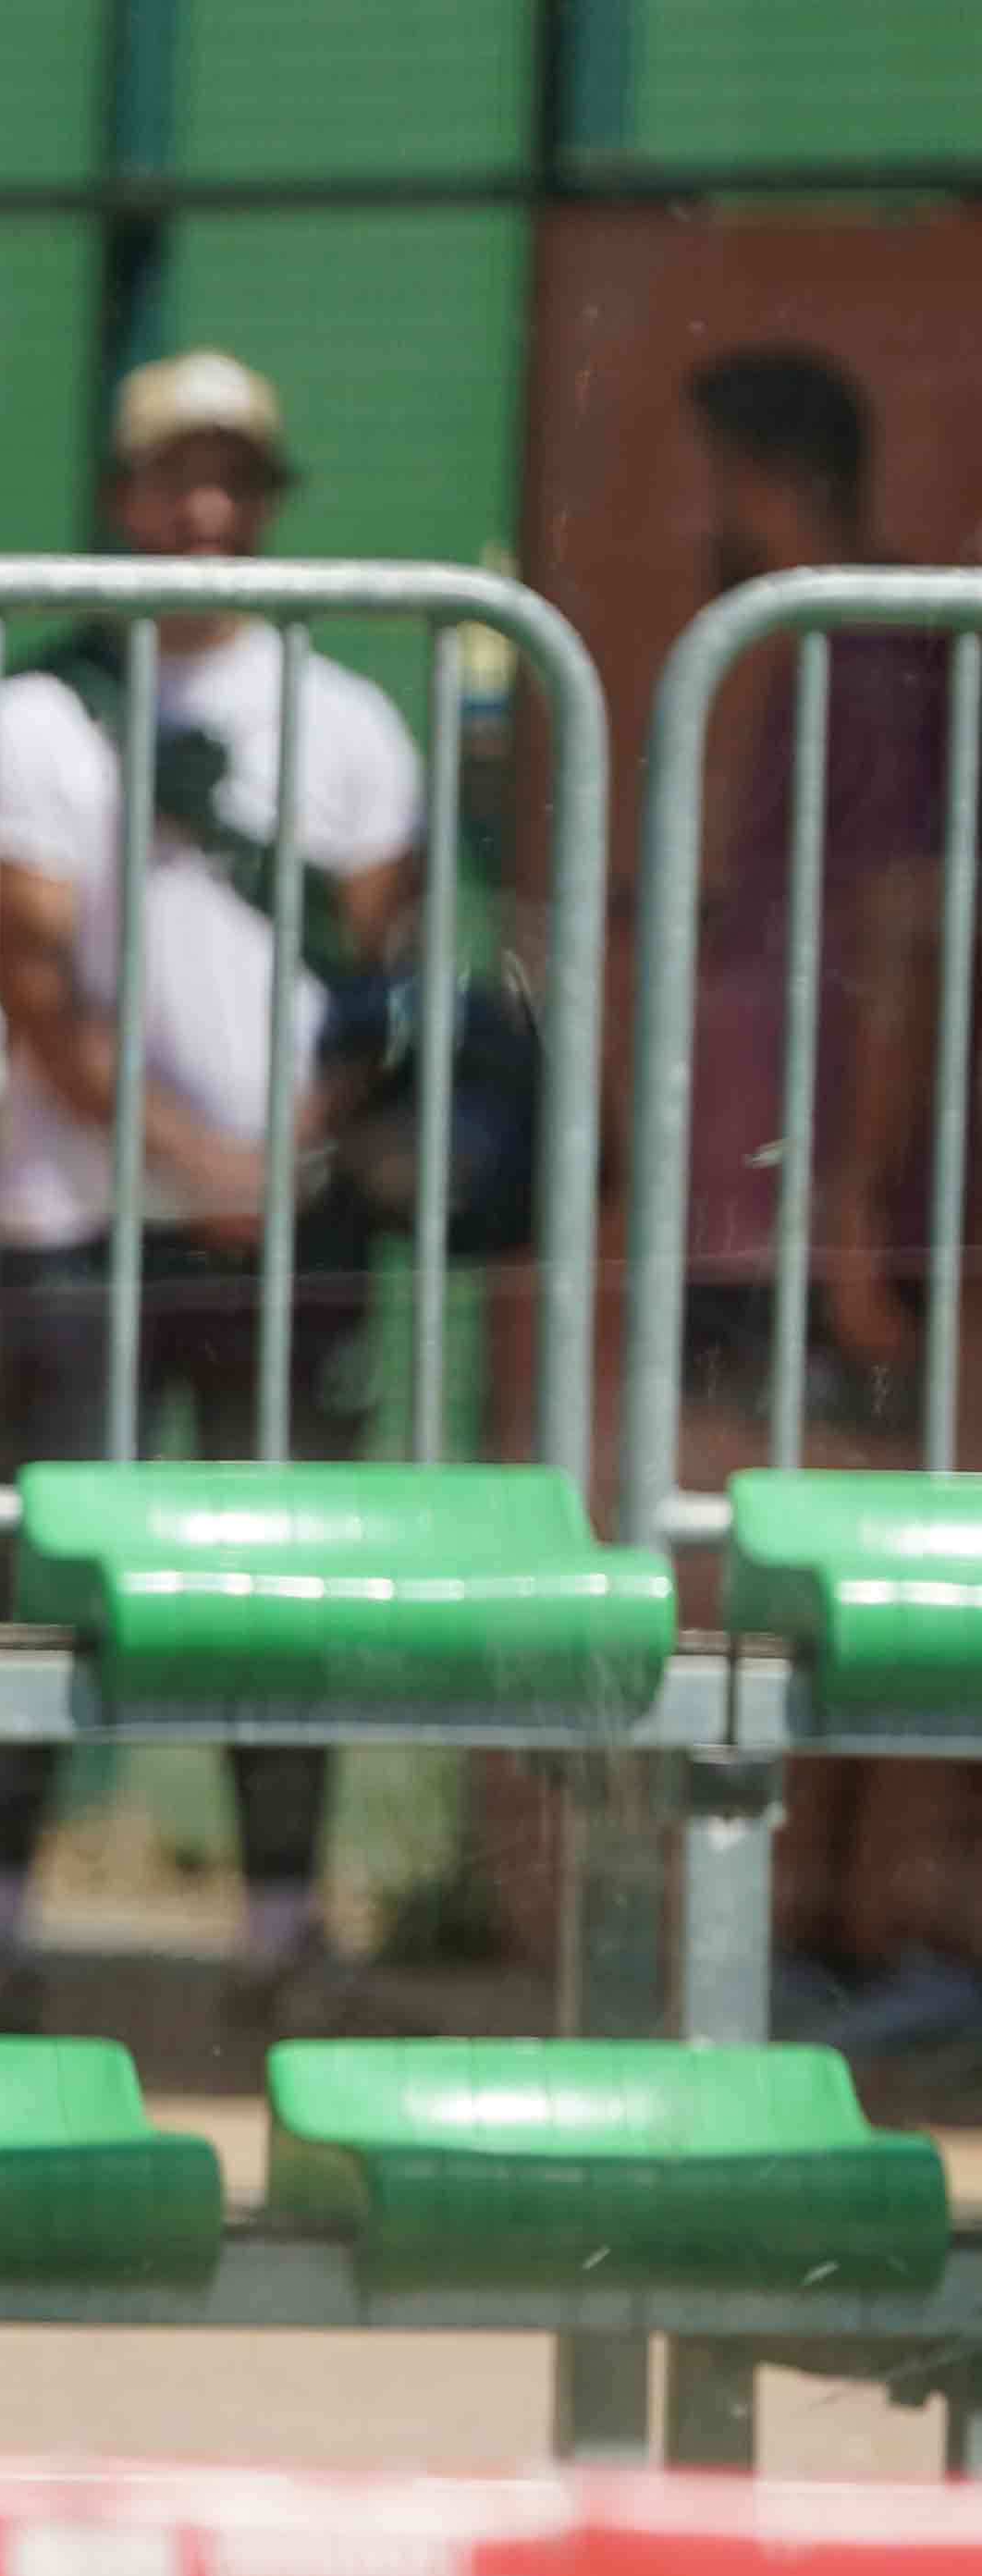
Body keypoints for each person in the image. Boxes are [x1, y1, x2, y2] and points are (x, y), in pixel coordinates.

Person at [0, 351, 423, 2032]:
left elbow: (383, 970)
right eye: (176, 477)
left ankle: (279, 1931)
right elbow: (32, 980)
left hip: (290, 1234)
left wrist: (294, 1153)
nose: (206, 511)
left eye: (235, 478)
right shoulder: (40, 712)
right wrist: (192, 1155)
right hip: (74, 1223)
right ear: (122, 496)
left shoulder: (348, 718)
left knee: (281, 1580)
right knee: (38, 1569)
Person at [673, 346, 982, 2054]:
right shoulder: (808, 655)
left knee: (837, 1559)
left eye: (706, 474)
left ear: (762, 473)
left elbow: (899, 932)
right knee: (779, 1549)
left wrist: (858, 1209)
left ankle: (854, 1933)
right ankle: (804, 1932)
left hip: (820, 1213)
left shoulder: (859, 659)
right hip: (767, 1200)